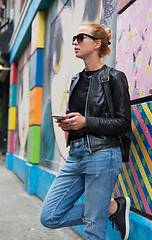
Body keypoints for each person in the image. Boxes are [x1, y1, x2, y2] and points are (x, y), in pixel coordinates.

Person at [40, 21, 131, 240]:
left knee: (93, 227)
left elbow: (123, 123)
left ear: (97, 43)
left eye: (81, 38)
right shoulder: (76, 80)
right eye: (74, 38)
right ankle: (112, 208)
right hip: (76, 155)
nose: (75, 42)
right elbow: (79, 118)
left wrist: (85, 122)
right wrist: (69, 124)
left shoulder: (114, 77)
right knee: (50, 216)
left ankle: (99, 211)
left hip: (103, 155)